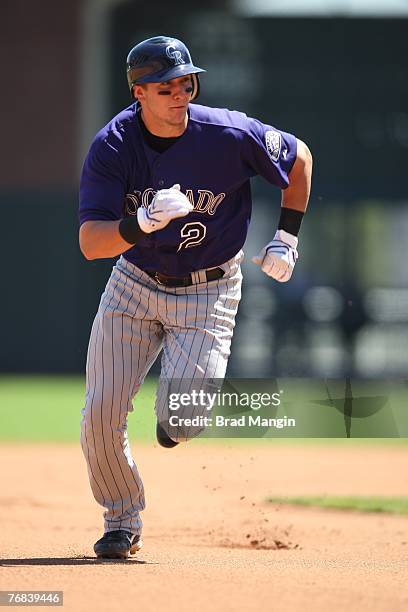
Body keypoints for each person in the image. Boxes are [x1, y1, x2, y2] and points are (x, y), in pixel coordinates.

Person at [79, 35, 312, 559]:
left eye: (186, 82)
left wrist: (286, 238)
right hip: (134, 284)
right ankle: (121, 519)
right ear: (138, 93)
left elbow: (299, 158)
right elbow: (92, 243)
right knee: (100, 413)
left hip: (209, 289)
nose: (179, 93)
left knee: (183, 418)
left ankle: (173, 424)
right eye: (165, 86)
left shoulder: (227, 132)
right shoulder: (113, 146)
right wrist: (139, 222)